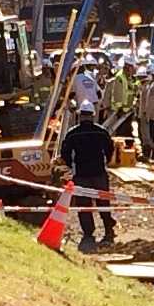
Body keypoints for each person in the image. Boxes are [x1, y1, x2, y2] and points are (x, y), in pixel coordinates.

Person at [60, 101, 116, 251]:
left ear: (79, 115)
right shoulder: (101, 132)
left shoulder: (73, 133)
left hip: (81, 175)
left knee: (84, 206)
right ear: (93, 115)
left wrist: (71, 165)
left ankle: (88, 235)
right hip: (99, 174)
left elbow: (64, 153)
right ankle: (109, 232)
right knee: (104, 205)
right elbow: (110, 149)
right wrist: (107, 162)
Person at [103, 57, 137, 135]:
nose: (131, 70)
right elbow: (112, 95)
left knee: (125, 132)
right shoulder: (117, 80)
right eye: (130, 67)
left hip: (127, 112)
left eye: (132, 67)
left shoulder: (131, 81)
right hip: (117, 112)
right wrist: (117, 109)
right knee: (116, 131)